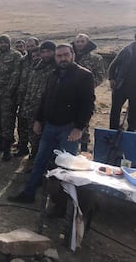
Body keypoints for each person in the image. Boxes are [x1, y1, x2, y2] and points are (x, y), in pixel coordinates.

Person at [8, 43, 95, 203]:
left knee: (64, 167)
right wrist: (38, 120)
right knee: (40, 160)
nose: (62, 59)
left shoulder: (84, 75)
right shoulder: (53, 75)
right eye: (59, 56)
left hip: (69, 129)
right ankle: (29, 193)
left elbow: (88, 104)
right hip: (50, 126)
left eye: (65, 55)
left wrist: (79, 127)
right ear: (55, 58)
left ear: (72, 55)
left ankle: (60, 205)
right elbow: (45, 99)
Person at [20, 41, 57, 162]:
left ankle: (47, 164)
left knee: (49, 140)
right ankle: (35, 160)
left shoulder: (58, 68)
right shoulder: (36, 66)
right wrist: (26, 106)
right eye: (43, 52)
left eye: (49, 52)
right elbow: (29, 87)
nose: (46, 55)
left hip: (50, 112)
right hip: (33, 110)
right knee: (34, 137)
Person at [0, 34, 22, 160]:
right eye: (1, 43)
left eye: (5, 43)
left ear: (9, 44)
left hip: (8, 95)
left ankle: (7, 148)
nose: (3, 45)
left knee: (7, 121)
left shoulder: (15, 55)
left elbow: (16, 73)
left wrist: (9, 91)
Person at [72, 33, 105, 151]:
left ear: (87, 43)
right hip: (68, 94)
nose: (80, 44)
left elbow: (100, 76)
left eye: (82, 41)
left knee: (83, 122)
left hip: (84, 95)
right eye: (77, 42)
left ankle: (84, 150)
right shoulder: (69, 56)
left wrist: (87, 86)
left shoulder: (95, 58)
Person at [14, 37, 41, 157]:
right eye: (28, 46)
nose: (30, 49)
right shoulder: (23, 60)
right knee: (22, 124)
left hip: (36, 99)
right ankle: (23, 147)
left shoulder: (41, 59)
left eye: (32, 46)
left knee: (34, 127)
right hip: (23, 97)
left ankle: (35, 152)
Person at [108, 34, 136, 131]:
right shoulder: (128, 51)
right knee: (115, 110)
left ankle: (131, 133)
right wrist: (111, 78)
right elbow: (113, 65)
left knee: (133, 113)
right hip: (121, 86)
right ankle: (112, 131)